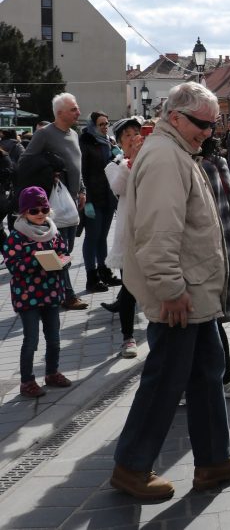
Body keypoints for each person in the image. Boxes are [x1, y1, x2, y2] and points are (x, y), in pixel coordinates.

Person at [110, 82, 230, 500]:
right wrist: (170, 288)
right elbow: (157, 233)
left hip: (195, 292)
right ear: (175, 117)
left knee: (207, 373)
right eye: (202, 124)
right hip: (180, 296)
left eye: (213, 124)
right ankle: (131, 466)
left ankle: (212, 462)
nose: (209, 132)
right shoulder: (166, 157)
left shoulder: (178, 151)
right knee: (166, 380)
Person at [20, 93, 88, 310]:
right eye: (73, 109)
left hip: (72, 201)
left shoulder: (74, 134)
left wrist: (82, 189)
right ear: (60, 113)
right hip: (52, 204)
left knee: (66, 250)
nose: (78, 112)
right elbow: (26, 162)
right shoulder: (45, 134)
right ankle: (67, 294)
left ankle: (56, 292)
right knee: (61, 251)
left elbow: (77, 165)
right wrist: (50, 169)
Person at [3, 187, 73, 398]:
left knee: (54, 338)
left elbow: (64, 253)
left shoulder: (53, 231)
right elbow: (13, 265)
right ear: (24, 212)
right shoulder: (17, 236)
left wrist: (63, 262)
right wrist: (37, 260)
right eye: (34, 210)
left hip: (51, 292)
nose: (40, 214)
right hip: (28, 296)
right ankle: (27, 381)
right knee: (31, 339)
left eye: (44, 208)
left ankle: (52, 372)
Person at [200, 136, 230, 400]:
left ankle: (222, 378)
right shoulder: (218, 162)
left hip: (208, 255)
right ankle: (226, 378)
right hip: (223, 249)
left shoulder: (202, 167)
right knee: (214, 320)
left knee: (207, 321)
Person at [101, 117, 145, 357]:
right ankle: (128, 337)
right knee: (129, 288)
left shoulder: (153, 160)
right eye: (126, 135)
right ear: (119, 141)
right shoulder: (115, 164)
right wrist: (132, 162)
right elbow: (119, 188)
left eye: (135, 133)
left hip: (154, 231)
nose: (132, 138)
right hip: (130, 234)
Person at [80, 111, 121, 293]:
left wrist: (117, 154)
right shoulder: (86, 142)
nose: (105, 127)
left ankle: (105, 273)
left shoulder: (109, 141)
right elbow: (83, 172)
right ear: (92, 125)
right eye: (101, 124)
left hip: (108, 195)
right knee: (92, 237)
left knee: (103, 237)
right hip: (93, 197)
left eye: (107, 123)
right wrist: (85, 198)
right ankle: (91, 277)